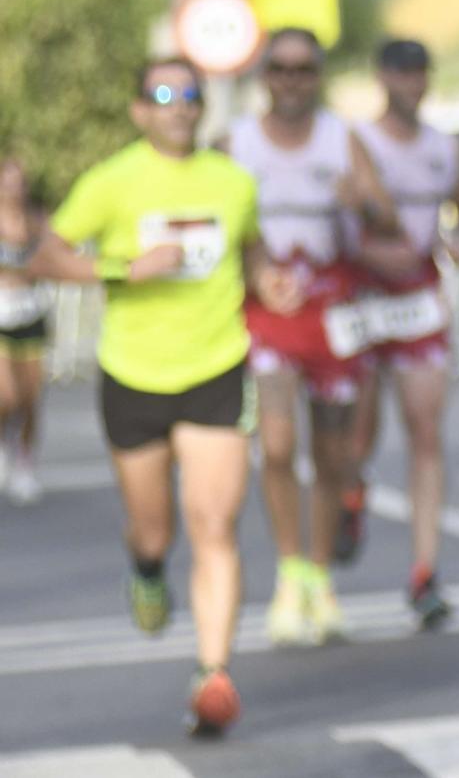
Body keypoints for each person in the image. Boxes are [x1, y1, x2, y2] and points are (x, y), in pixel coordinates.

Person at [7, 56, 299, 735]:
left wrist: (269, 279)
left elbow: (251, 250)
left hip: (216, 367)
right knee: (155, 527)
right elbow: (44, 255)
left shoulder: (231, 181)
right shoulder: (112, 182)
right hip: (134, 374)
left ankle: (213, 674)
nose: (179, 106)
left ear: (203, 107)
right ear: (140, 109)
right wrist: (123, 268)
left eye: (190, 95)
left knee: (215, 524)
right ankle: (144, 567)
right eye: (163, 95)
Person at [223, 27, 398, 647]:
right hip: (269, 310)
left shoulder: (340, 138)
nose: (291, 80)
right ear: (264, 75)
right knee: (274, 445)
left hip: (330, 308)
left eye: (303, 69)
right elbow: (220, 224)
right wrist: (256, 272)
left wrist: (362, 202)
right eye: (280, 68)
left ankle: (320, 578)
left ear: (317, 76)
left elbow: (387, 216)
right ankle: (288, 575)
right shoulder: (237, 142)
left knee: (334, 454)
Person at [344, 38, 459, 628]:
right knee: (358, 433)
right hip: (364, 294)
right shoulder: (358, 145)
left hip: (420, 296)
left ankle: (425, 570)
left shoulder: (446, 149)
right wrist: (372, 247)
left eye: (420, 73)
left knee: (426, 430)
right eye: (400, 73)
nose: (411, 84)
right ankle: (352, 491)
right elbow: (343, 216)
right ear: (382, 78)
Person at [0, 156, 50, 503]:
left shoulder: (36, 220)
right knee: (7, 396)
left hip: (31, 314)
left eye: (20, 181)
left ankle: (24, 461)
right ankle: (3, 443)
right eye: (8, 181)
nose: (14, 188)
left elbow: (53, 256)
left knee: (31, 399)